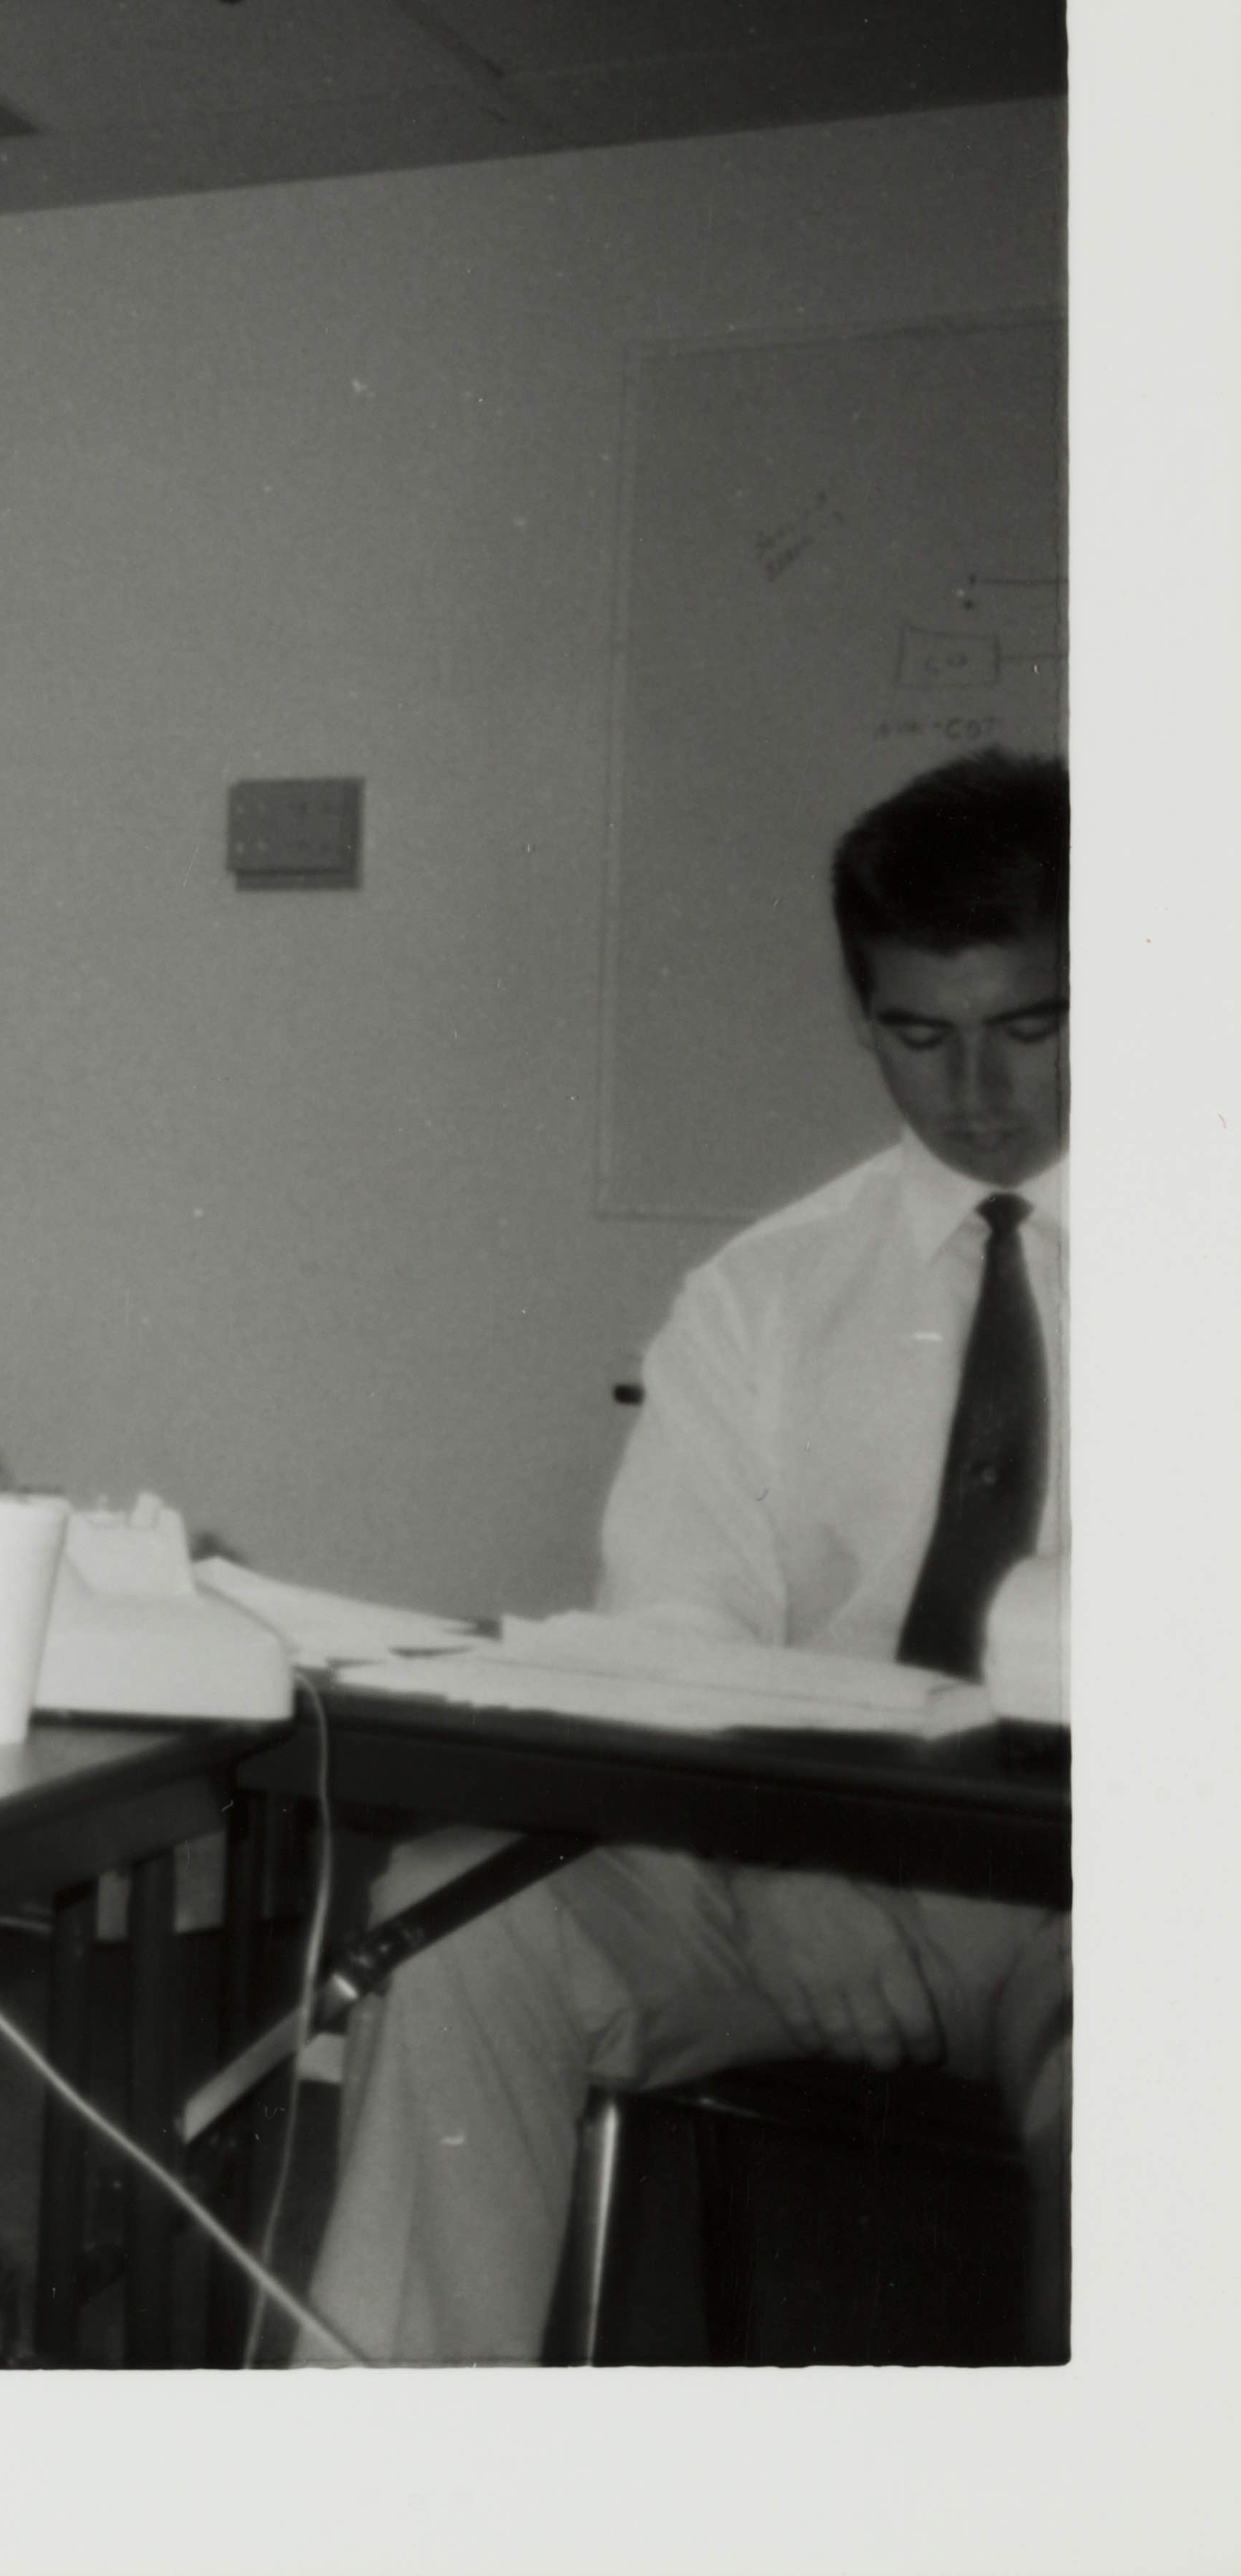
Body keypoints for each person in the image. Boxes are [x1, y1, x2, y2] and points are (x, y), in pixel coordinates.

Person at [304, 748, 1071, 2361]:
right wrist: (773, 1862)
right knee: (452, 1927)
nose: (979, 1094)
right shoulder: (768, 1291)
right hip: (792, 1865)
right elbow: (672, 1635)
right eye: (920, 1038)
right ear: (861, 1017)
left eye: (1031, 1027)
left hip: (1115, 1889)